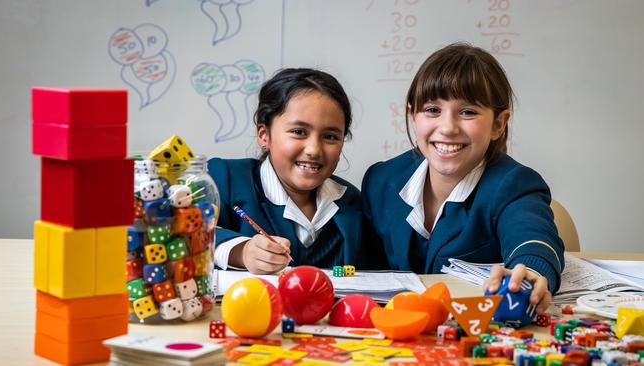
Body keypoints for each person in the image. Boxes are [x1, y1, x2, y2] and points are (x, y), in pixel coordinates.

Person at [362, 43, 564, 313]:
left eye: (467, 112)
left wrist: (529, 271)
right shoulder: (381, 180)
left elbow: (533, 240)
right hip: (393, 335)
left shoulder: (514, 184)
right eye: (432, 110)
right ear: (412, 115)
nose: (447, 128)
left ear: (498, 124)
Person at [208, 68, 366, 274]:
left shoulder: (352, 201)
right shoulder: (224, 179)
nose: (314, 150)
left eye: (330, 137)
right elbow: (184, 235)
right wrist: (242, 252)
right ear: (264, 135)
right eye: (298, 132)